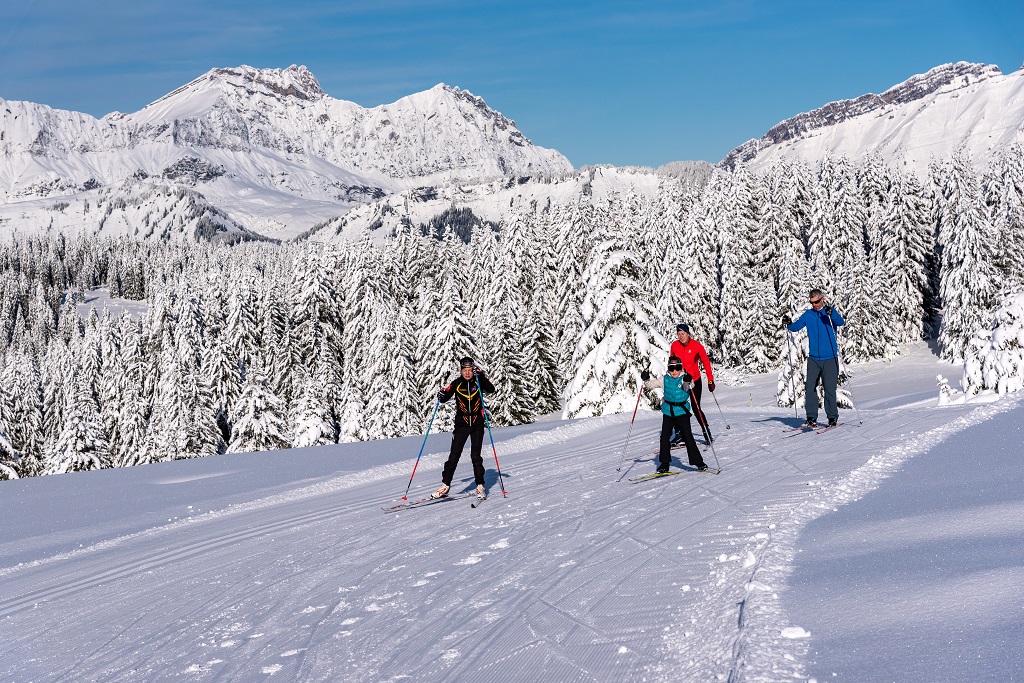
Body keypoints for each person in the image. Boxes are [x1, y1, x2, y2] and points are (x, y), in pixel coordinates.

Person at [431, 356, 495, 499]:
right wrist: (441, 395)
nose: (467, 373)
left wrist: (481, 376)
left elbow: (491, 389)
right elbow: (444, 397)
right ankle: (445, 485)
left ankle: (480, 485)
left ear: (473, 370)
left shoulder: (478, 381)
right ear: (461, 370)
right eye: (464, 370)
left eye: (469, 370)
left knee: (475, 456)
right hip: (462, 424)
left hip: (477, 423)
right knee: (454, 455)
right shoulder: (457, 383)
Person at [783, 289, 845, 428]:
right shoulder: (808, 315)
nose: (814, 305)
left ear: (823, 299)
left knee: (829, 389)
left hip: (830, 358)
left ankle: (832, 418)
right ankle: (811, 417)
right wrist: (788, 323)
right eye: (812, 302)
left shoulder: (828, 313)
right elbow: (796, 327)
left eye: (816, 302)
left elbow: (840, 322)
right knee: (810, 387)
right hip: (814, 359)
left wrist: (832, 313)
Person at [641, 357, 708, 473]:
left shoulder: (683, 378)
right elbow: (650, 385)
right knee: (665, 437)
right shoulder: (664, 379)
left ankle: (699, 462)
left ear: (681, 368)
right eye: (672, 368)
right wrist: (646, 379)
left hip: (682, 411)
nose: (674, 371)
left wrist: (689, 380)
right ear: (668, 369)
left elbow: (690, 386)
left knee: (688, 437)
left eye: (677, 368)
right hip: (668, 411)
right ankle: (664, 463)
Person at [668, 323, 715, 444]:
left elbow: (705, 362)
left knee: (695, 407)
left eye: (683, 334)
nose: (681, 336)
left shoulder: (696, 346)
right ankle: (679, 434)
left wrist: (710, 380)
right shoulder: (675, 345)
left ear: (688, 333)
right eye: (678, 334)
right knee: (677, 406)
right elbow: (672, 363)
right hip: (681, 380)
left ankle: (706, 432)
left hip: (695, 381)